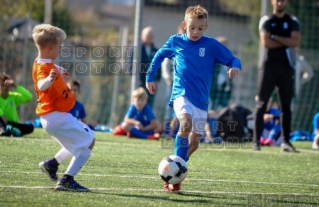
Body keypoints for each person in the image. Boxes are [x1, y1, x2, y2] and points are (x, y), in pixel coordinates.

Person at [146, 5, 241, 191]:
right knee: (185, 123)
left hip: (201, 101)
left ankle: (177, 168)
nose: (195, 31)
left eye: (199, 28)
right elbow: (158, 56)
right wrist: (150, 76)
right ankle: (175, 177)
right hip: (181, 94)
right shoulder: (176, 41)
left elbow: (232, 59)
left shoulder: (211, 45)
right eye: (191, 27)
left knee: (195, 142)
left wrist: (235, 66)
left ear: (205, 27)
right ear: (184, 25)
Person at [32, 24, 95, 192]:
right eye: (60, 46)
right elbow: (41, 84)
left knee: (75, 142)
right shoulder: (45, 70)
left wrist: (58, 70)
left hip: (51, 118)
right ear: (50, 48)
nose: (61, 49)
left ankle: (51, 165)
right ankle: (67, 179)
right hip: (57, 117)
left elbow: (46, 69)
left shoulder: (40, 62)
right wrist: (50, 79)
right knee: (89, 141)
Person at [253, 0, 301, 152]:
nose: (280, 2)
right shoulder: (266, 20)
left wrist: (276, 37)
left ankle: (286, 142)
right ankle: (256, 142)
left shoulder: (292, 21)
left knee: (286, 105)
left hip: (286, 67)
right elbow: (266, 42)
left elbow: (295, 41)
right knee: (261, 104)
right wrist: (285, 41)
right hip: (268, 67)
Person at [161, 25, 186, 118]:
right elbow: (165, 63)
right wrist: (168, 78)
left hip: (185, 83)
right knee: (170, 105)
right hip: (173, 82)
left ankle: (179, 127)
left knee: (183, 106)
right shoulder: (173, 45)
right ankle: (168, 128)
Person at [138, 26, 161, 108]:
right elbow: (130, 64)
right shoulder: (137, 49)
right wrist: (137, 79)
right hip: (140, 81)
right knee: (139, 101)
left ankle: (148, 120)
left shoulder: (155, 51)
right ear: (142, 36)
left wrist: (158, 79)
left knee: (149, 103)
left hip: (152, 82)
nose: (149, 38)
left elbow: (159, 65)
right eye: (147, 36)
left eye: (151, 36)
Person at [210, 37, 233, 110]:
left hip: (225, 91)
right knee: (212, 110)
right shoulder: (213, 61)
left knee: (223, 112)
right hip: (214, 91)